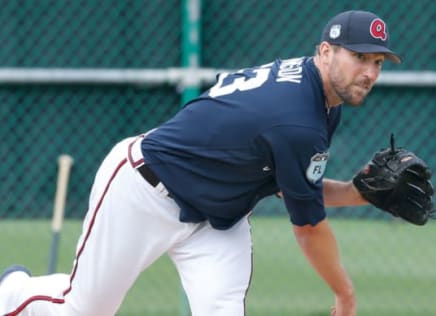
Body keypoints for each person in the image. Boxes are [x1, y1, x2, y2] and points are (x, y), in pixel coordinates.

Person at [0, 10, 401, 316]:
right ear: (326, 51)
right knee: (83, 310)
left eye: (378, 63)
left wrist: (359, 193)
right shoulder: (298, 117)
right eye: (359, 57)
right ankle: (13, 291)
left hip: (218, 221)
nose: (369, 72)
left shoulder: (321, 102)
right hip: (146, 191)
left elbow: (288, 182)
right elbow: (309, 229)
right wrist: (345, 295)